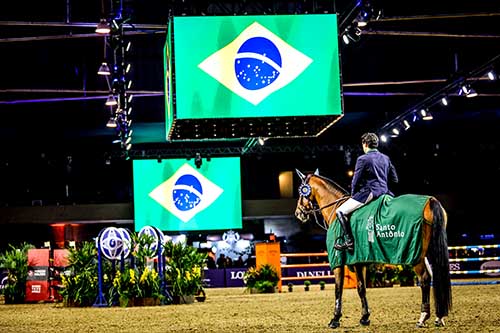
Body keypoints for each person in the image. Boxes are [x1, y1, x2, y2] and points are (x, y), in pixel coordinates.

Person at [334, 132, 398, 251]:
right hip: (385, 192)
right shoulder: (386, 158)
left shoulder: (362, 159)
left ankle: (349, 241)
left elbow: (355, 180)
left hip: (370, 192)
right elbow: (395, 179)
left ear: (365, 144)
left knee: (340, 211)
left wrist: (353, 195)